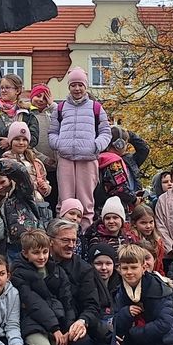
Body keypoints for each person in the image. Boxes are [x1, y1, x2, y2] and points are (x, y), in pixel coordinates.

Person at [49, 67, 111, 230]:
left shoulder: (96, 107)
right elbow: (52, 132)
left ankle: (85, 234)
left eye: (80, 85)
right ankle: (62, 232)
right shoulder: (60, 108)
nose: (77, 89)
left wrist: (96, 146)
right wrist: (58, 144)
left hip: (88, 159)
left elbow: (106, 132)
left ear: (85, 87)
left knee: (86, 201)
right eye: (73, 85)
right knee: (64, 200)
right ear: (69, 87)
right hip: (66, 158)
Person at [0, 158, 45, 262]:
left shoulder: (22, 193)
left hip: (32, 242)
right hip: (10, 247)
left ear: (10, 179)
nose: (0, 187)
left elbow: (21, 171)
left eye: (3, 182)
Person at [0, 74, 39, 173]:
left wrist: (10, 141)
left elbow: (33, 139)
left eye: (7, 87)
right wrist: (10, 131)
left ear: (17, 91)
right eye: (1, 88)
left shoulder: (27, 114)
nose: (3, 90)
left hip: (20, 164)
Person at [93, 126, 149, 212]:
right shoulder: (113, 161)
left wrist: (126, 132)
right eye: (126, 143)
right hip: (118, 208)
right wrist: (134, 200)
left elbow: (144, 149)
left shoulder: (100, 159)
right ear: (119, 144)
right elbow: (120, 188)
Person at [2, 120, 50, 200]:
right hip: (17, 205)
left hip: (38, 203)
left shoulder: (36, 162)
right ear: (10, 141)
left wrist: (45, 187)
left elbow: (44, 181)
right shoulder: (4, 162)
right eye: (17, 139)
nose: (21, 143)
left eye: (24, 140)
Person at [29, 84, 59, 206]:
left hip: (54, 166)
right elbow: (28, 143)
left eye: (45, 97)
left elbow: (62, 117)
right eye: (37, 96)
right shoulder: (28, 115)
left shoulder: (53, 114)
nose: (41, 100)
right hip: (36, 164)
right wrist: (43, 158)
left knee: (53, 197)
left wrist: (52, 105)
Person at [130, 204, 164, 271]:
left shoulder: (158, 241)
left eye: (151, 222)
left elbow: (159, 266)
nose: (148, 226)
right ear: (134, 223)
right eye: (143, 223)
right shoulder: (131, 241)